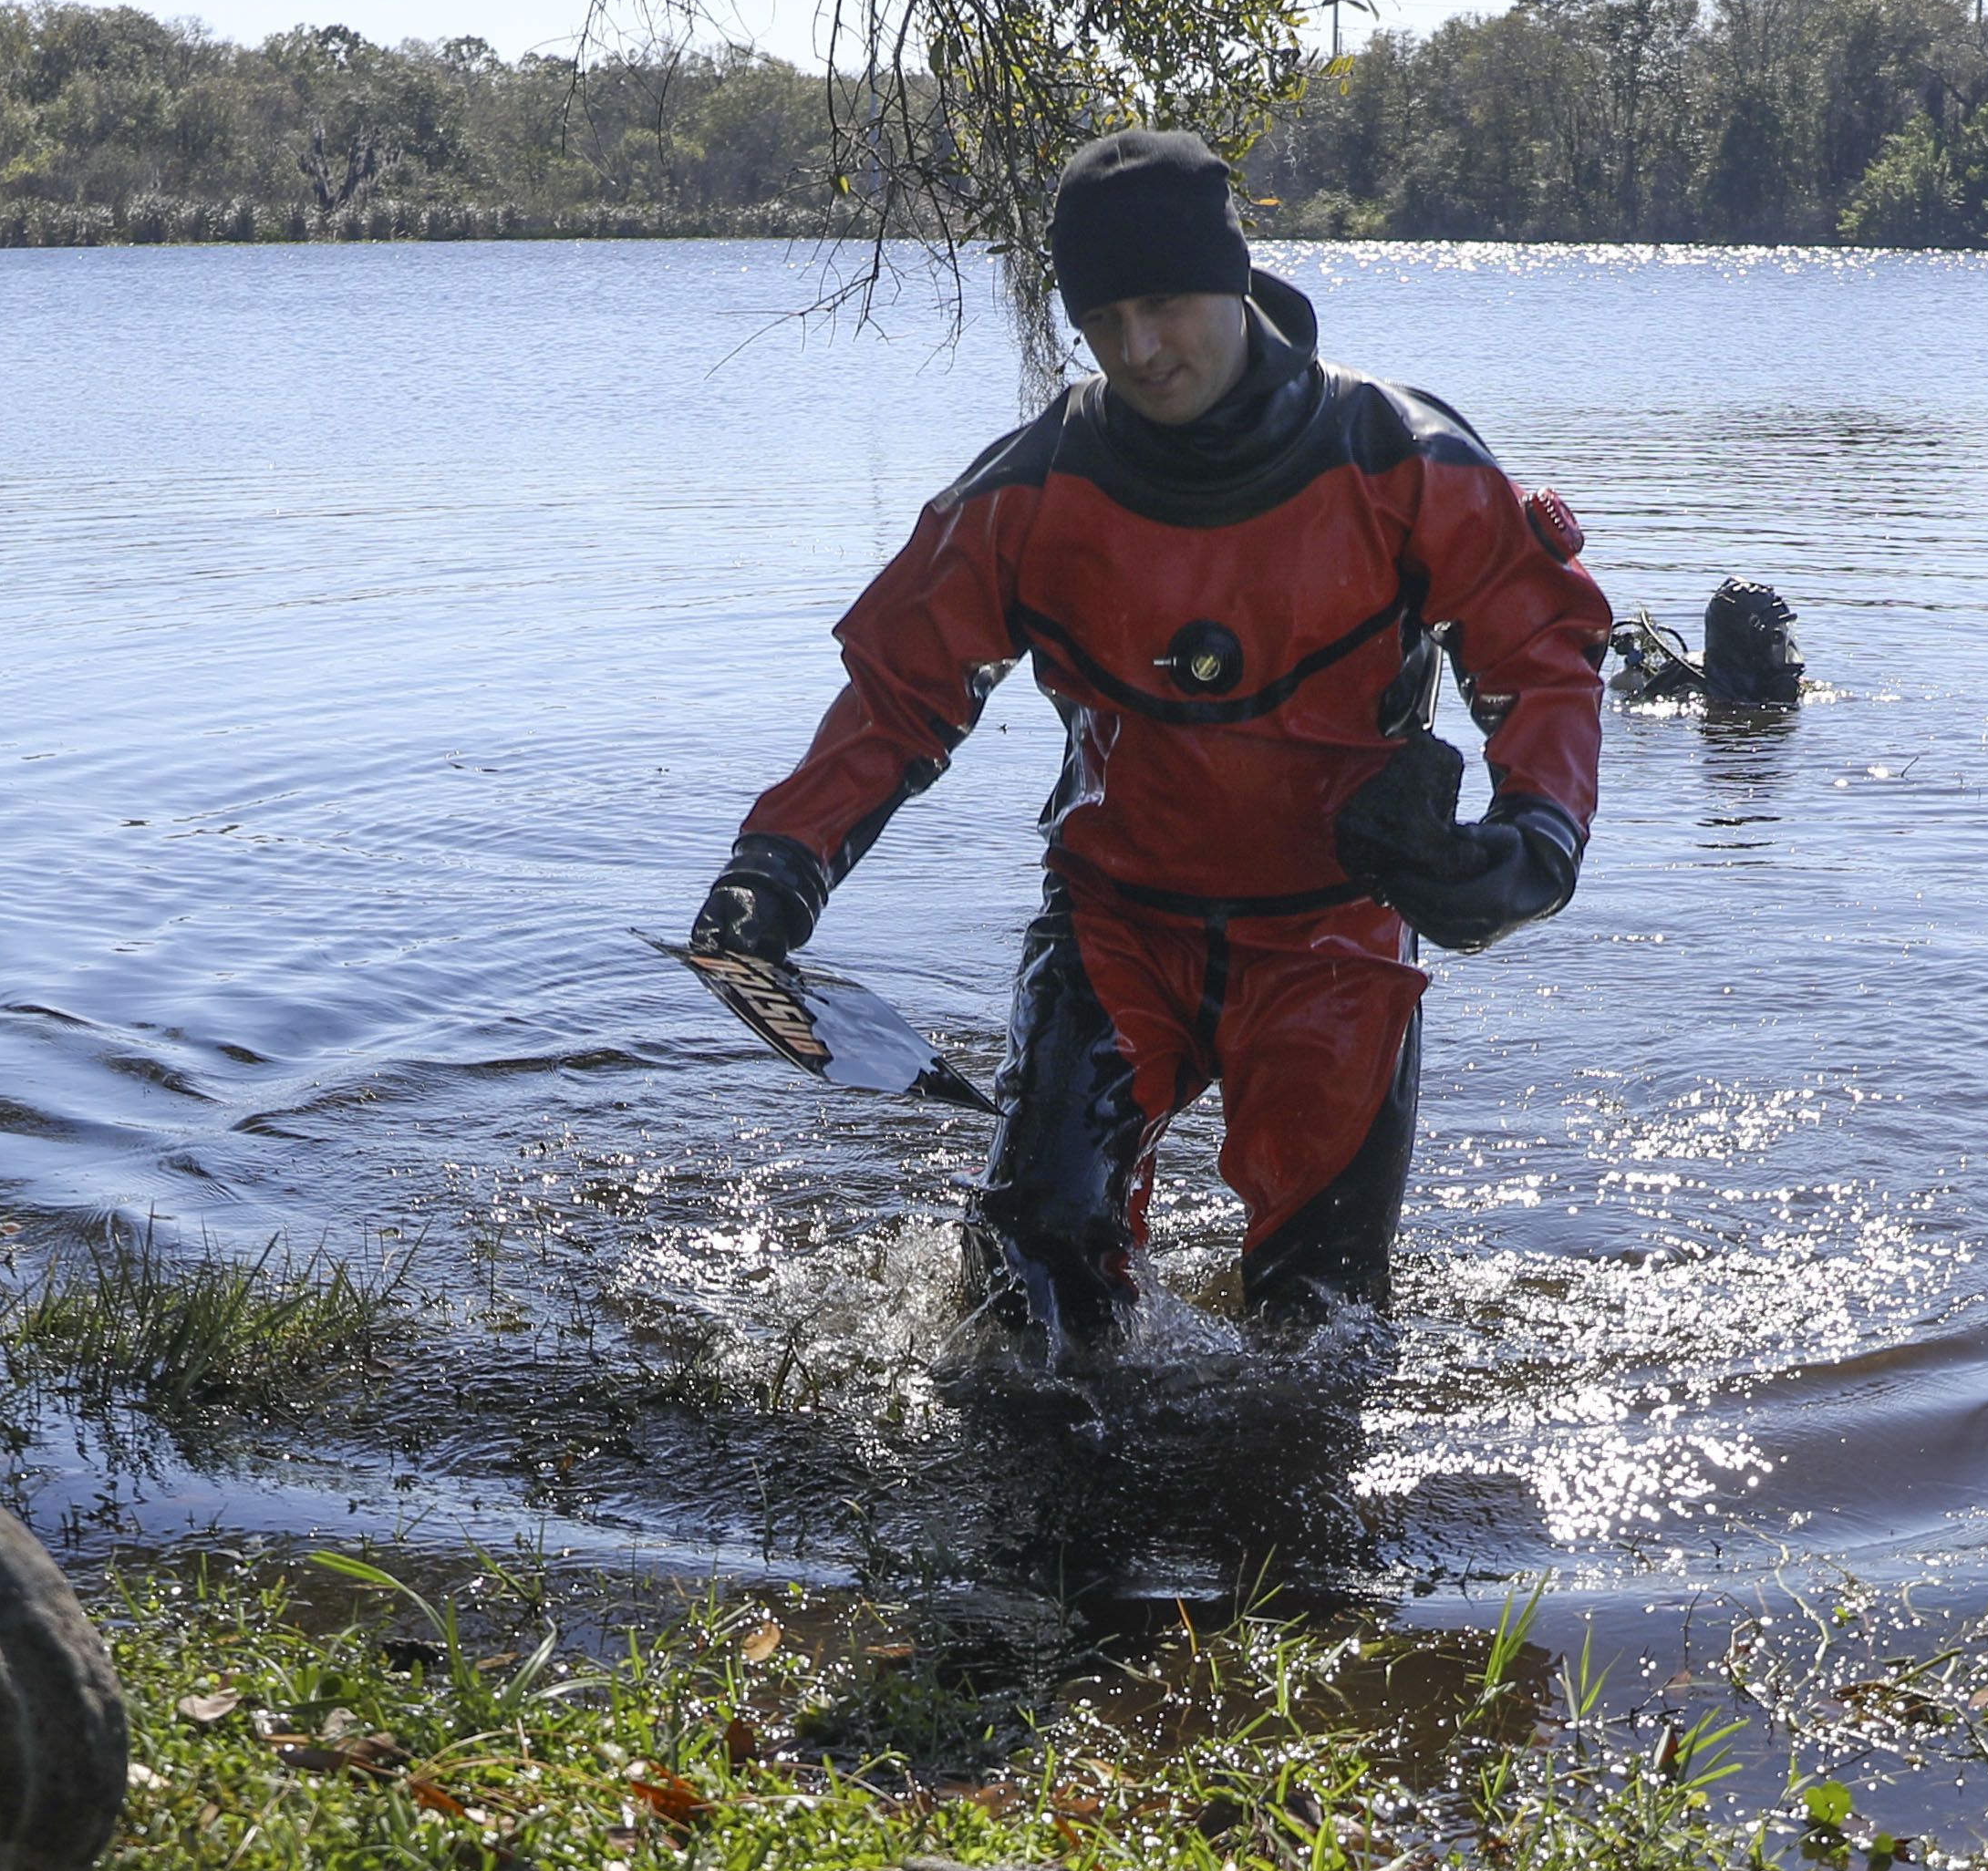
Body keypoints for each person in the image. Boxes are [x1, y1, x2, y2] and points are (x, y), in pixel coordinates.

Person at [688, 127, 1612, 1352]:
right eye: (1103, 318)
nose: (1138, 350)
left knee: (1322, 1330)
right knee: (1031, 1290)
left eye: (1166, 306)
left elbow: (1542, 655)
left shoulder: (1402, 457)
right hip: (1115, 923)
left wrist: (1531, 842)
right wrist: (774, 868)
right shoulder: (1026, 491)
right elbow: (897, 697)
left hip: (1337, 935)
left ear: (1233, 281)